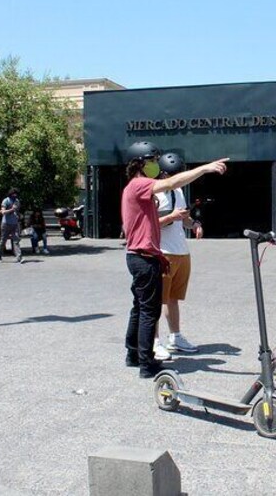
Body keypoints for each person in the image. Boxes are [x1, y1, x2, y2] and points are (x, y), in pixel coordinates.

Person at [121, 141, 228, 378]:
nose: (154, 166)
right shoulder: (140, 184)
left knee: (139, 308)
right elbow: (171, 182)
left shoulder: (133, 187)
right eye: (150, 161)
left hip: (142, 255)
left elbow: (147, 226)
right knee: (150, 311)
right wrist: (205, 169)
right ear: (139, 163)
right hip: (143, 257)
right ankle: (147, 364)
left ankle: (133, 355)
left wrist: (159, 255)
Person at [153, 152, 203, 361]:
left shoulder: (179, 191)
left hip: (182, 251)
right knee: (156, 300)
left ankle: (175, 337)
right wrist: (171, 217)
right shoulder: (154, 193)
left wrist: (194, 224)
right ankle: (154, 342)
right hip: (163, 252)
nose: (174, 178)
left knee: (173, 299)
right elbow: (150, 223)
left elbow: (183, 218)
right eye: (171, 174)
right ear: (163, 173)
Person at [0, 189, 22, 263]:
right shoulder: (6, 201)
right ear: (10, 194)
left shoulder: (17, 201)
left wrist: (18, 215)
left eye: (16, 194)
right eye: (14, 194)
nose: (15, 196)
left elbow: (17, 211)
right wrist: (12, 209)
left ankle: (19, 257)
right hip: (6, 224)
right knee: (3, 241)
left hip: (14, 223)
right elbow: (3, 212)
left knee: (16, 241)